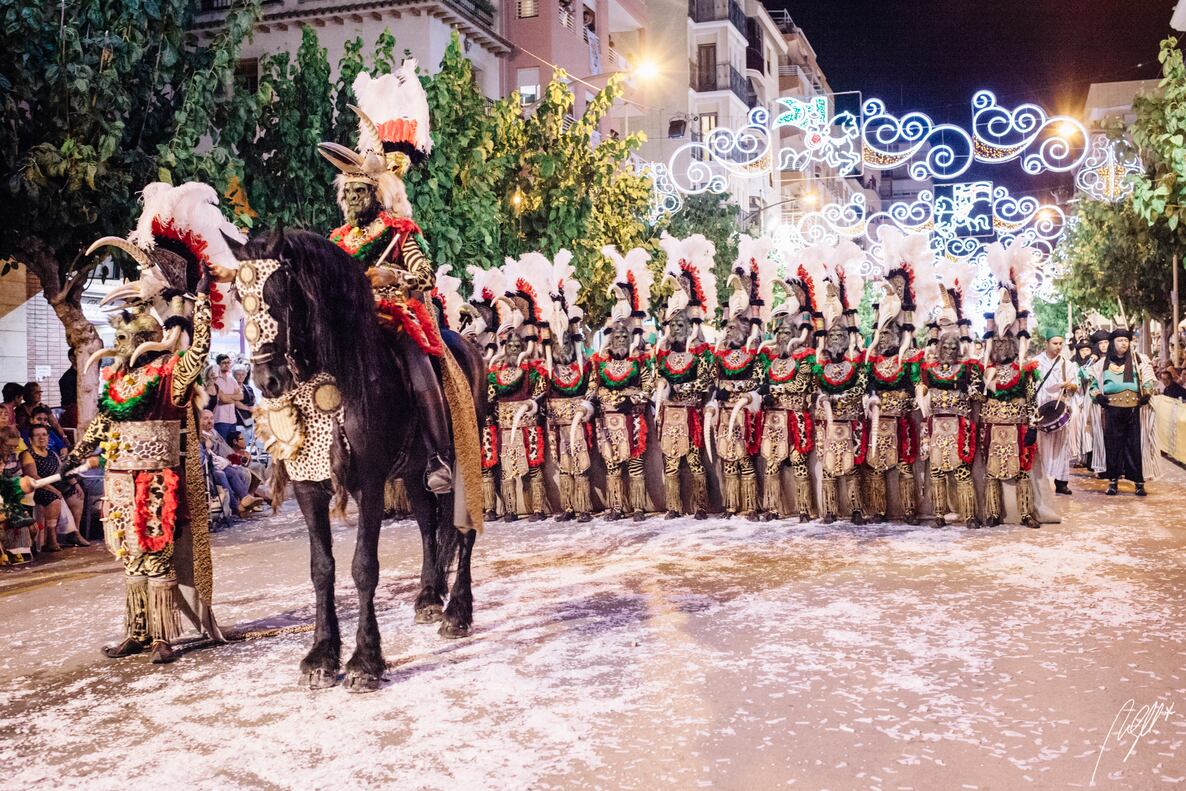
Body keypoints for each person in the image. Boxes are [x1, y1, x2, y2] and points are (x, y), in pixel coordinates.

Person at [317, 61, 454, 495]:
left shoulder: (399, 231)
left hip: (394, 315)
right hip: (349, 322)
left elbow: (424, 275)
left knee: (417, 364)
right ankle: (313, 451)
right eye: (347, 193)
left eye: (360, 191)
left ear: (375, 195)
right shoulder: (336, 240)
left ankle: (436, 455)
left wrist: (387, 276)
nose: (353, 199)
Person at [655, 233, 718, 520]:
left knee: (694, 461)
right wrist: (664, 386)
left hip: (691, 413)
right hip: (670, 415)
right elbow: (657, 378)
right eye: (672, 324)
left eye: (681, 324)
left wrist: (681, 388)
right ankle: (673, 506)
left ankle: (701, 505)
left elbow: (706, 381)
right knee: (671, 461)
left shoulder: (701, 351)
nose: (676, 329)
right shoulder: (663, 354)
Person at [591, 248, 656, 521]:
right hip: (607, 419)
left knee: (635, 462)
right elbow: (592, 387)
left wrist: (634, 398)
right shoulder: (600, 362)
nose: (619, 339)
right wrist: (593, 401)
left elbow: (649, 387)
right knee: (612, 465)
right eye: (615, 335)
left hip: (632, 418)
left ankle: (639, 506)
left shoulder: (640, 360)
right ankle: (616, 506)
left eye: (623, 335)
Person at [1087, 328, 1160, 495]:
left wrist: (1146, 394)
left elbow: (1148, 381)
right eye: (1120, 340)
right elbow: (1093, 386)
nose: (1123, 343)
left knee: (1135, 446)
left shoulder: (1139, 360)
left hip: (1134, 410)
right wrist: (1098, 396)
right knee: (1113, 446)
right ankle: (1113, 481)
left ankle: (1139, 482)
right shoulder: (1101, 364)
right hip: (1112, 410)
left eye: (1126, 340)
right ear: (1113, 343)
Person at [21, 424, 88, 549]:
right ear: (30, 439)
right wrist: (54, 490)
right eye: (37, 435)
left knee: (76, 496)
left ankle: (75, 532)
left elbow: (63, 471)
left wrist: (76, 484)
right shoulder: (27, 454)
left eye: (44, 435)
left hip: (55, 485)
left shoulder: (52, 453)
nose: (41, 438)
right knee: (53, 498)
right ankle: (51, 539)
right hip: (39, 487)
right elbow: (34, 477)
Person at [1034, 335, 1077, 498]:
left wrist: (1069, 385)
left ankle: (1061, 482)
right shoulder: (1036, 362)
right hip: (1041, 408)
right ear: (1046, 343)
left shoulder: (1066, 363)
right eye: (1055, 343)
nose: (1058, 346)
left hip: (1060, 408)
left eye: (1061, 343)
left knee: (1061, 446)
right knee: (1041, 446)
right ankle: (1040, 481)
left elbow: (1075, 386)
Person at [207, 354, 241, 441]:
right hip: (220, 419)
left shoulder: (232, 379)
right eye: (224, 363)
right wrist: (234, 398)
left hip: (233, 420)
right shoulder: (215, 380)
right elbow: (222, 399)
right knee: (221, 447)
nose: (227, 365)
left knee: (232, 446)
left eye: (228, 362)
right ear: (218, 365)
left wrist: (228, 397)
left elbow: (241, 396)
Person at [231, 364, 257, 447]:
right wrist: (248, 408)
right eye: (238, 374)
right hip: (237, 420)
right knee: (239, 443)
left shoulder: (248, 388)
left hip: (249, 420)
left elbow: (253, 400)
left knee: (247, 443)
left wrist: (254, 408)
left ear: (246, 375)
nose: (240, 376)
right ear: (234, 375)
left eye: (243, 374)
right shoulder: (231, 388)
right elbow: (235, 402)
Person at [59, 347, 78, 430]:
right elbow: (68, 400)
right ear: (72, 358)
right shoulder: (67, 378)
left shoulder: (85, 374)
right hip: (73, 412)